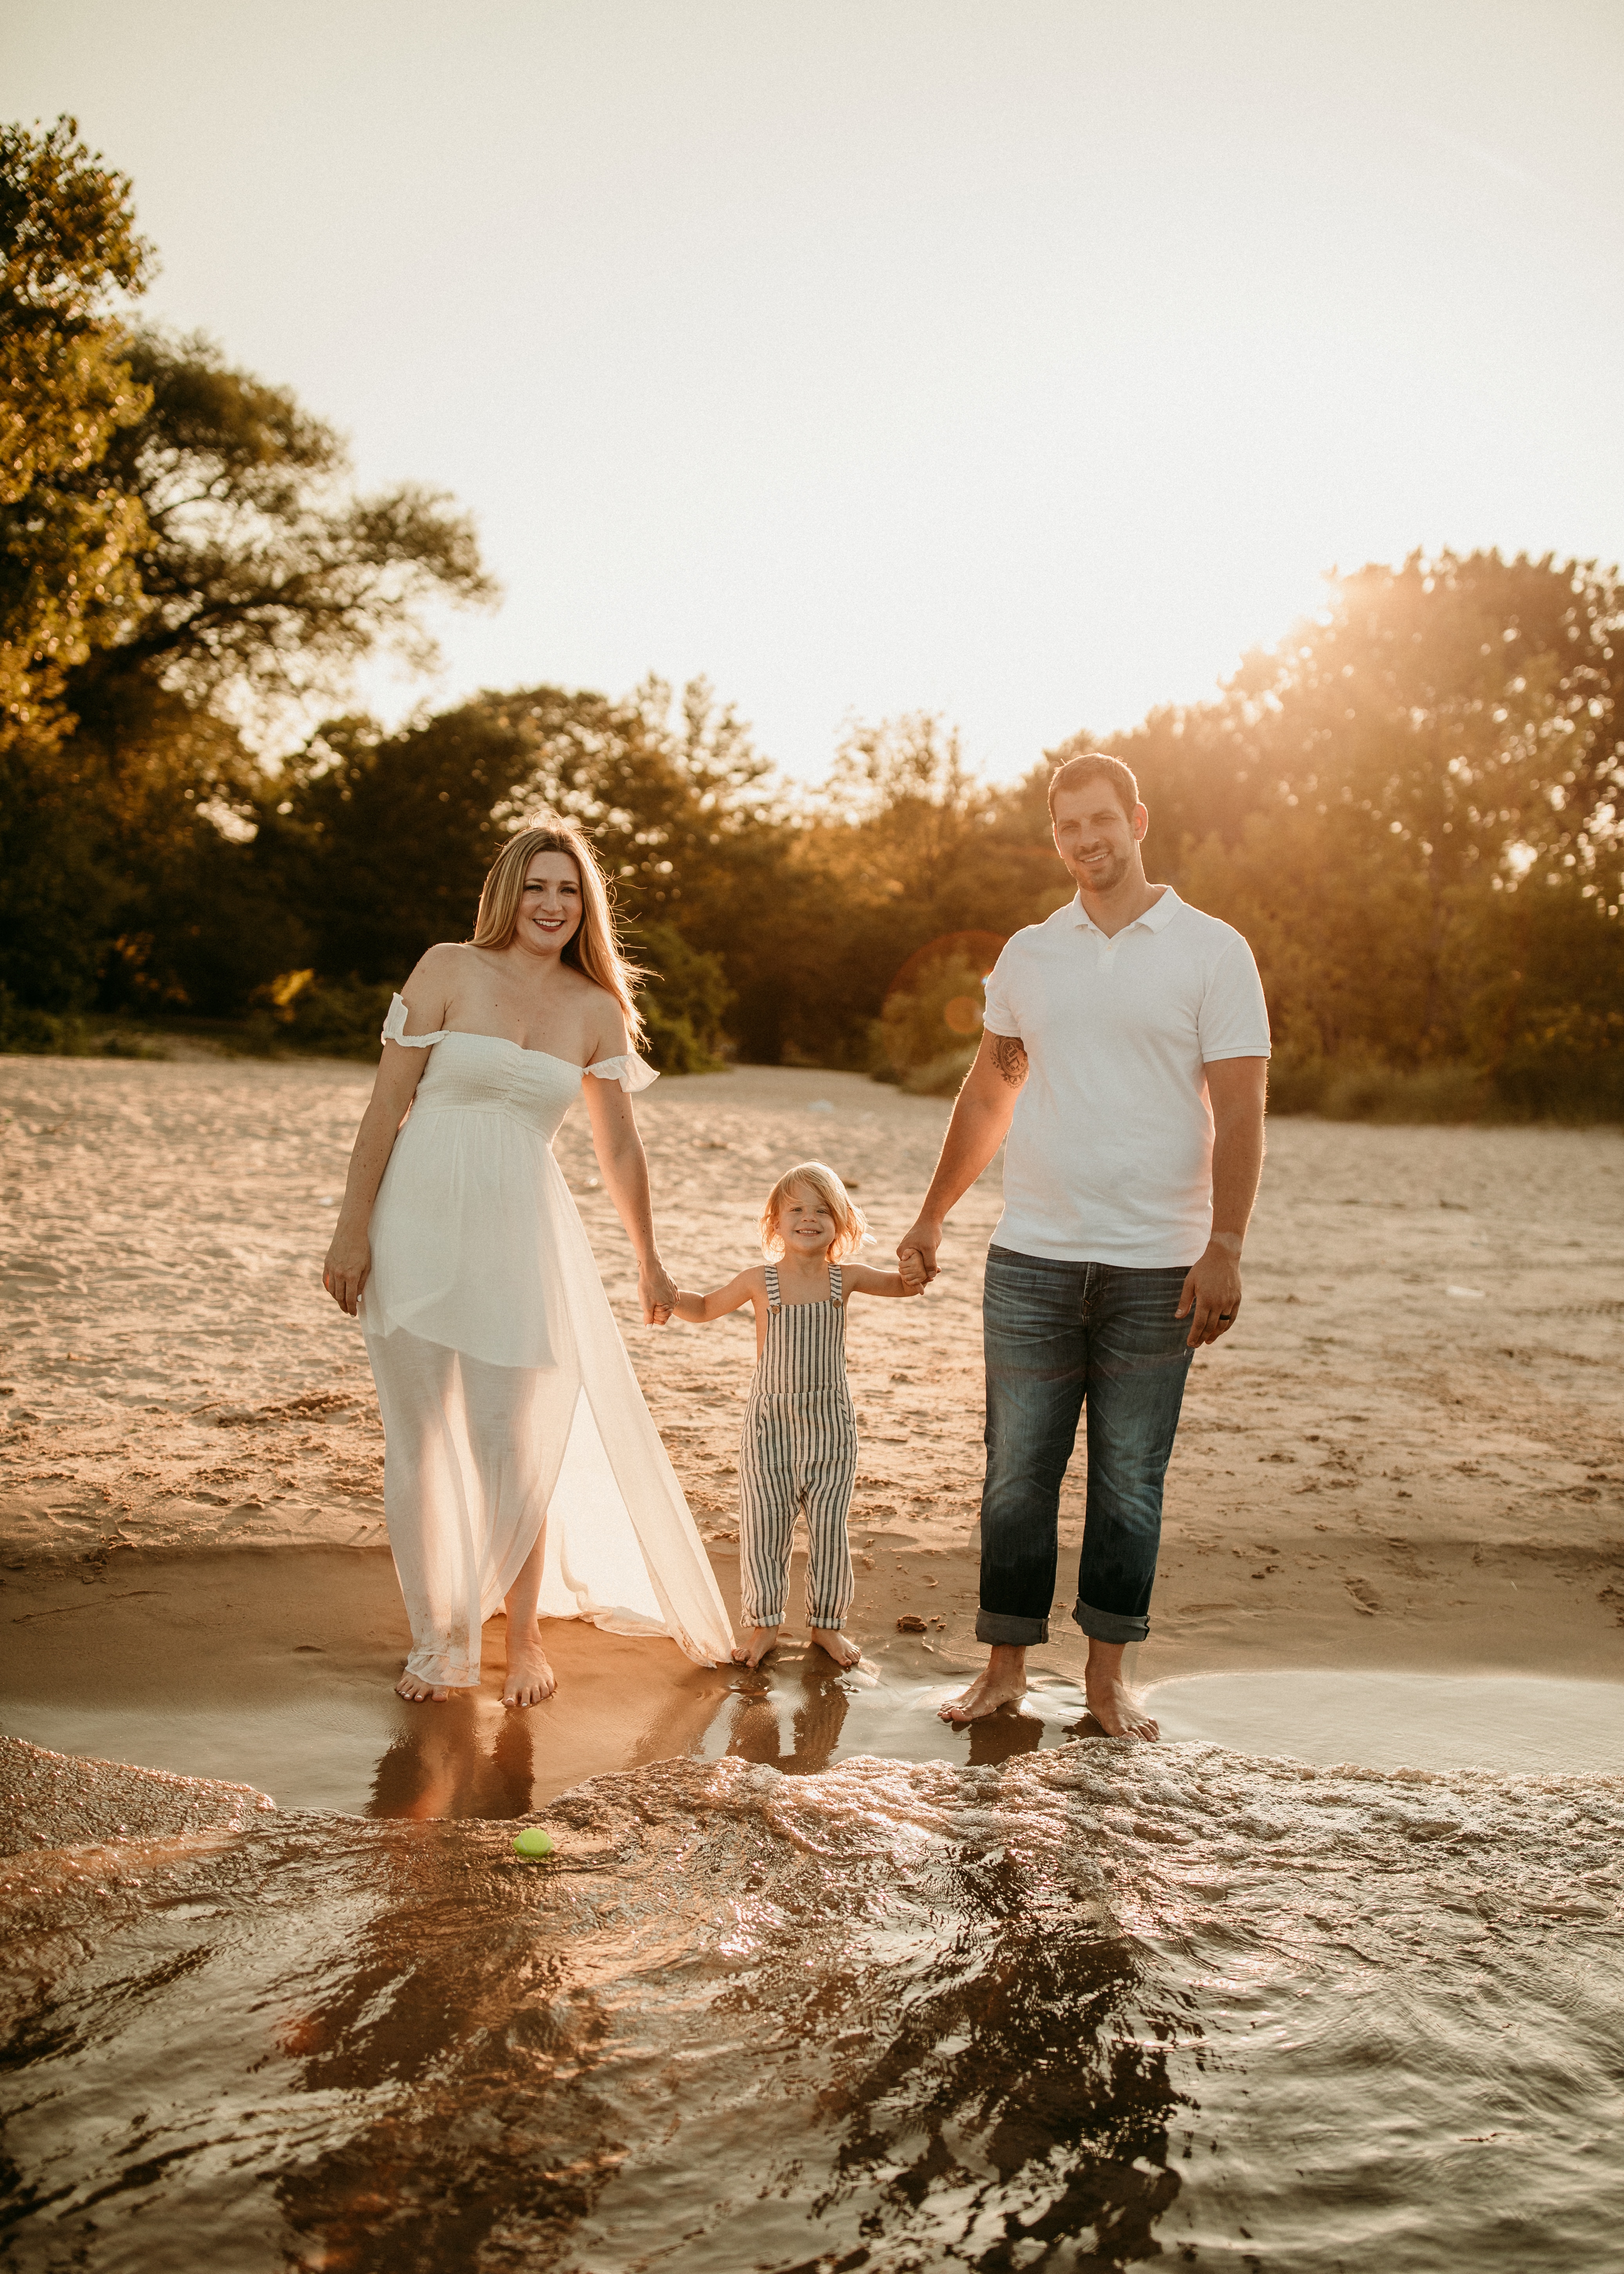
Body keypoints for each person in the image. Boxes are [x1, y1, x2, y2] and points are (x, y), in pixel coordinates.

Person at [896, 750, 1270, 1741]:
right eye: (1068, 826)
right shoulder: (1031, 953)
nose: (1087, 840)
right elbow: (990, 1090)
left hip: (1161, 1264)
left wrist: (1225, 1243)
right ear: (1055, 836)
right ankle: (1005, 1670)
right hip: (1033, 1258)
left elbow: (1242, 1107)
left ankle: (1108, 1683)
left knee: (1129, 1480)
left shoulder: (1212, 950)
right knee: (1016, 1473)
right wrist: (934, 1213)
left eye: (1101, 820)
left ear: (1139, 819)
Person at [320, 821, 733, 1706]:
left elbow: (619, 1149)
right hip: (417, 1223)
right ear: (509, 892)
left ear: (588, 906)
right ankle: (439, 1640)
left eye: (570, 890)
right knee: (420, 1439)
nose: (554, 905)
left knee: (518, 1437)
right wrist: (352, 1229)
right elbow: (387, 1104)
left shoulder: (596, 1008)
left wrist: (650, 1259)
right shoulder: (447, 969)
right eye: (539, 887)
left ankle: (527, 1636)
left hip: (524, 1234)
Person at [671, 1162, 920, 1670]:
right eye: (796, 1210)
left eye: (822, 1210)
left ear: (841, 1222)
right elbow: (701, 1308)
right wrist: (664, 1294)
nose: (809, 1219)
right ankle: (764, 1627)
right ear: (774, 1223)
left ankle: (826, 1626)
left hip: (831, 1426)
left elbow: (901, 1287)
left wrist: (916, 1271)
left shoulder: (843, 1279)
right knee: (766, 1526)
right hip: (770, 1428)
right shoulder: (759, 1282)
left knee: (829, 1526)